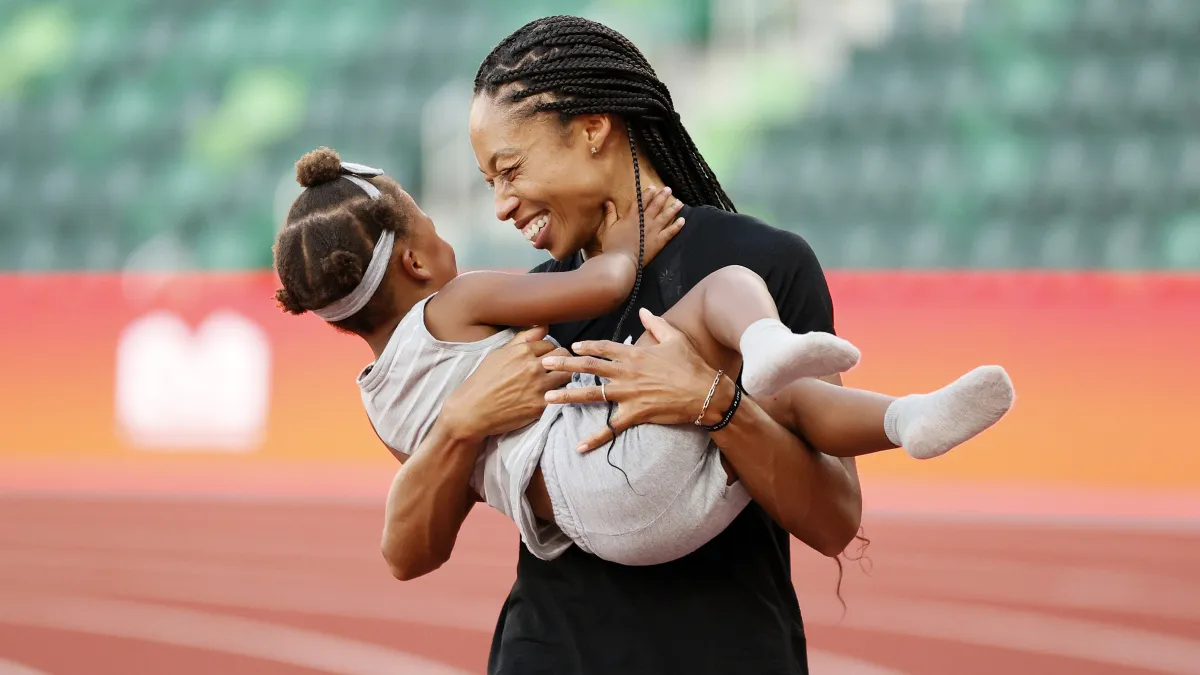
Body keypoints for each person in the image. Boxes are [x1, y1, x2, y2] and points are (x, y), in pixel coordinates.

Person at [271, 148, 1013, 566]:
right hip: (606, 456)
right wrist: (634, 238)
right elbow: (608, 279)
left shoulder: (379, 399)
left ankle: (908, 417)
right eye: (430, 221)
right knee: (726, 298)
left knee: (762, 399)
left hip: (599, 528)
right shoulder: (455, 302)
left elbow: (426, 509)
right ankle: (774, 343)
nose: (495, 205)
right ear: (415, 261)